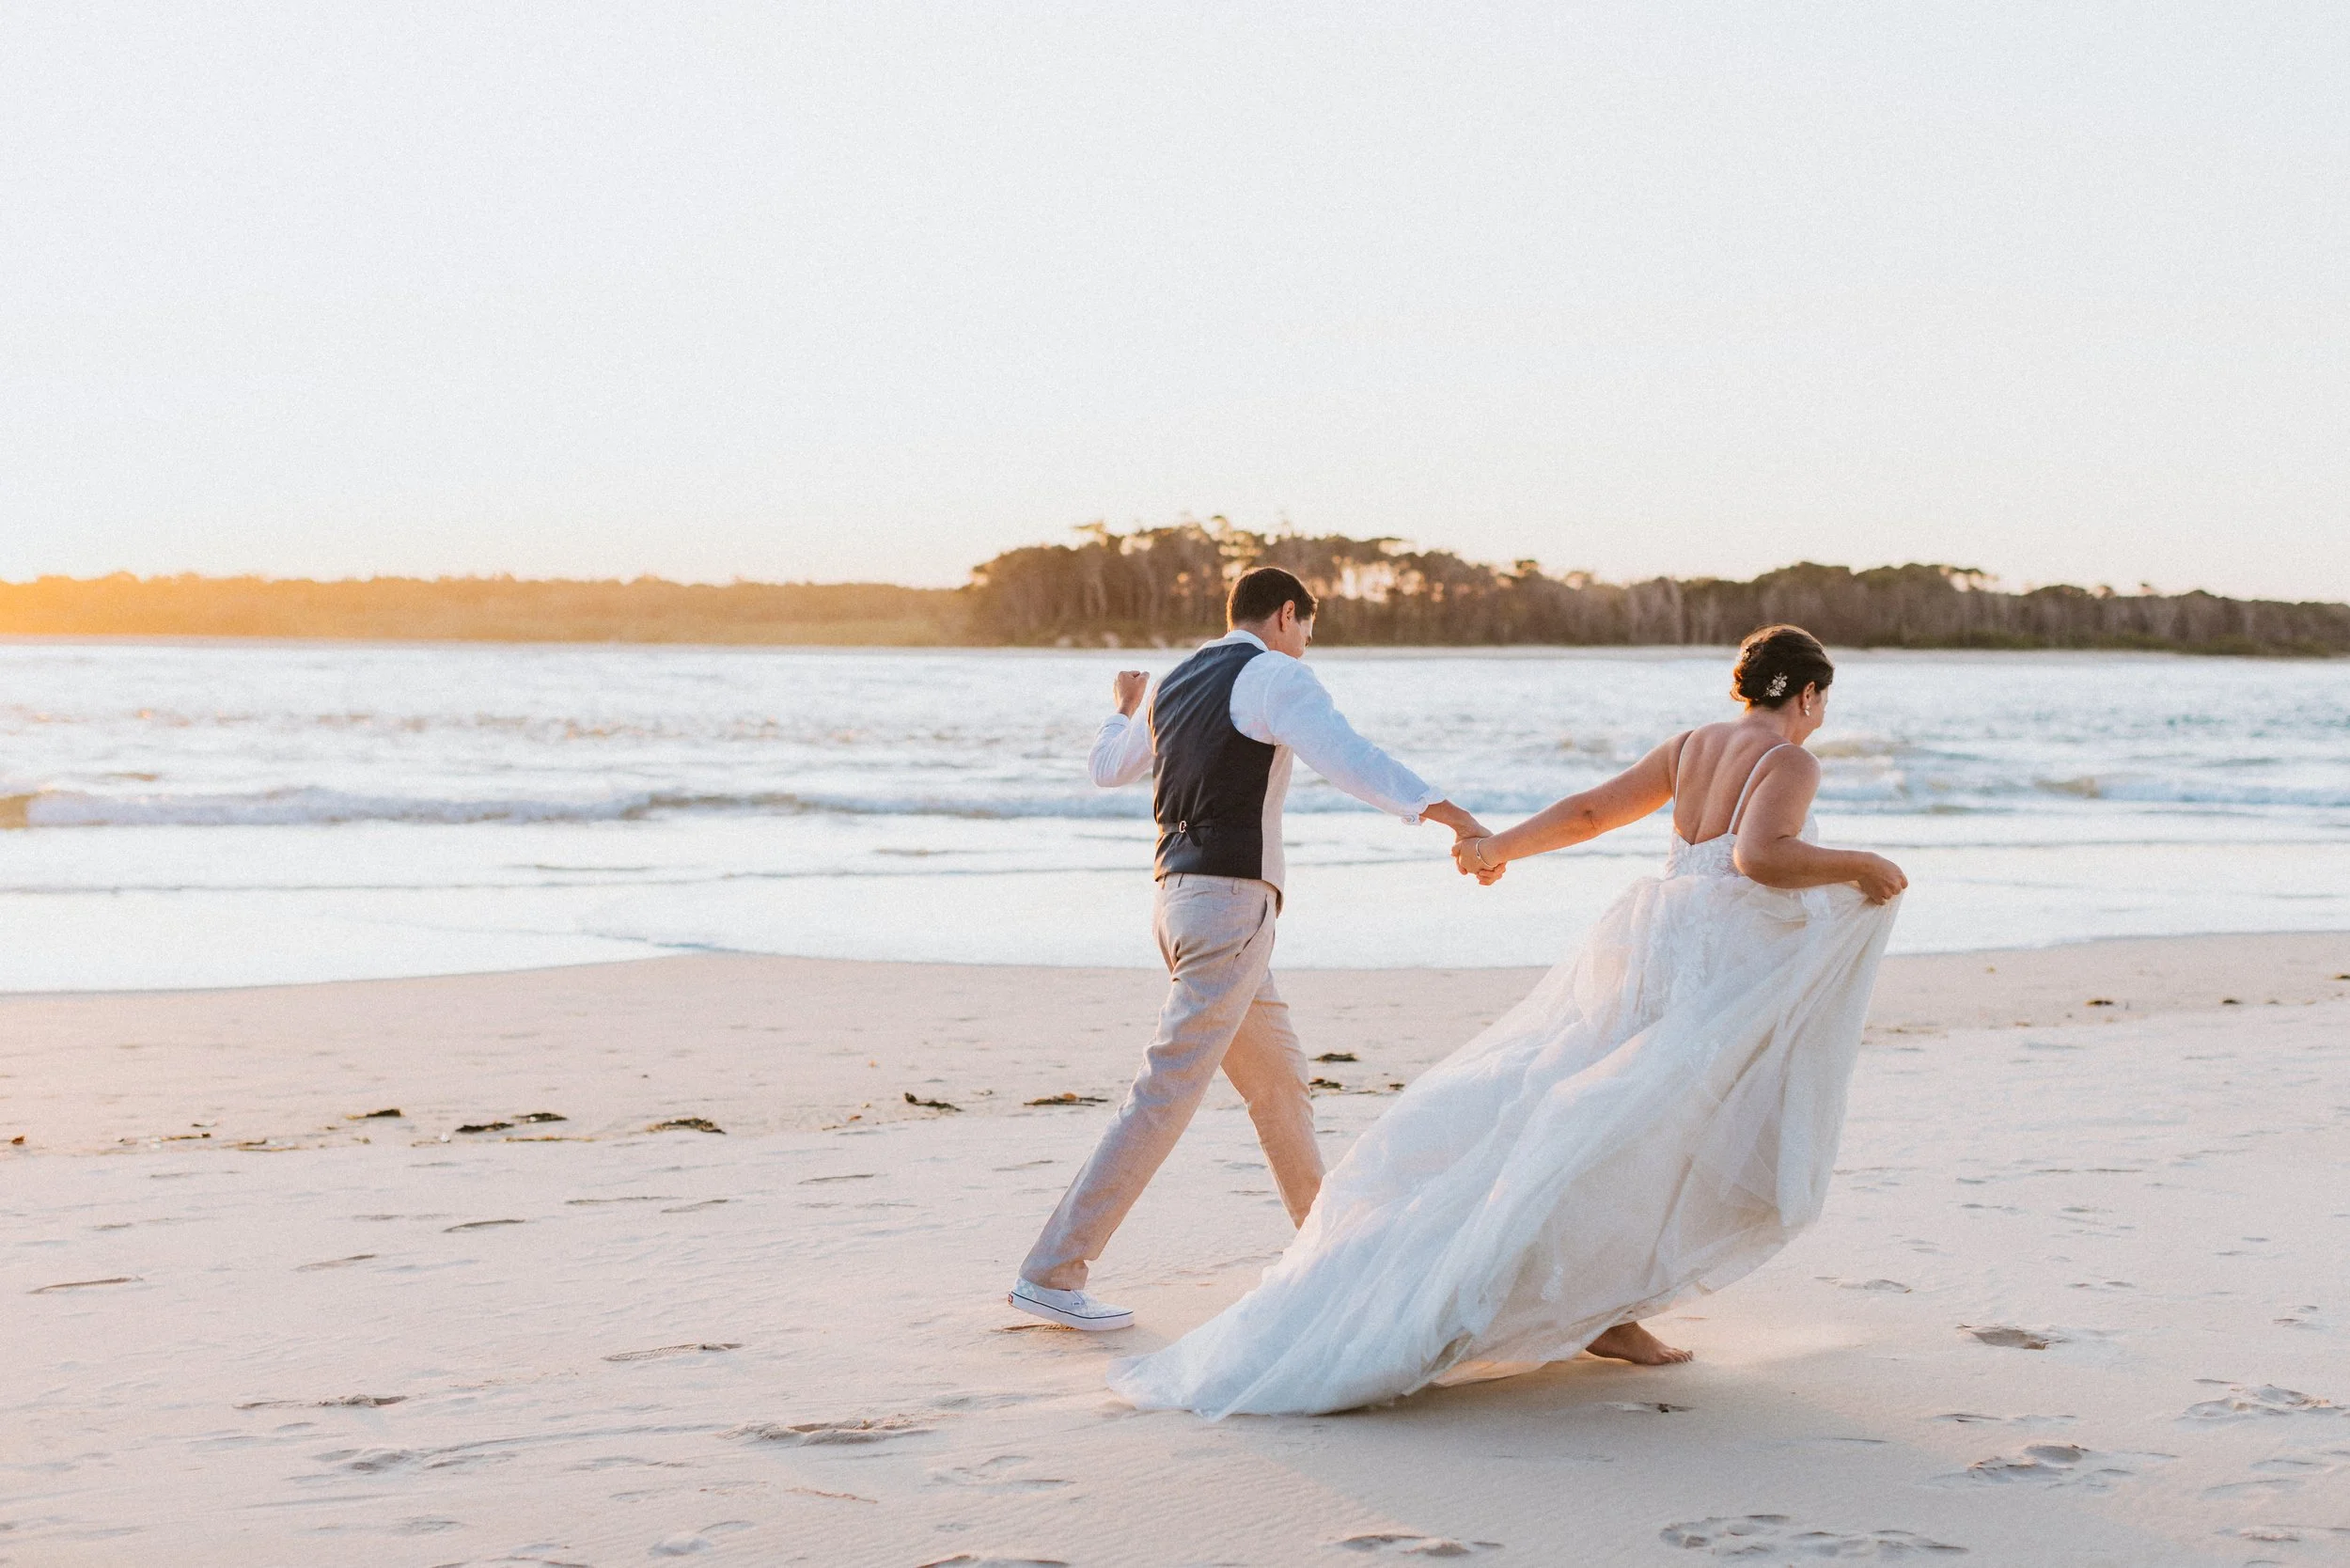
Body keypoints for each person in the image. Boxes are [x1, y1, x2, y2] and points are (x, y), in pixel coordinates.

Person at [1107, 625, 1907, 1415]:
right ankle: (1602, 1308)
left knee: (1599, 1114)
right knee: (1649, 1131)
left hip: (1657, 942)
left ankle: (1606, 1307)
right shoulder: (1790, 759)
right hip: (1717, 957)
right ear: (1808, 694)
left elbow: (1593, 811)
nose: (1821, 713)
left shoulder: (1693, 744)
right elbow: (1760, 858)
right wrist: (1859, 865)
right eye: (1822, 699)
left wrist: (1500, 850)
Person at [1009, 566, 1493, 1331]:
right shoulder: (1272, 676)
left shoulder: (1177, 681)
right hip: (1230, 908)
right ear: (1287, 616)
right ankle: (1051, 1272)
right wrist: (1454, 816)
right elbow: (1351, 758)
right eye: (1307, 629)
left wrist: (1121, 713)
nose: (1305, 646)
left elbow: (1108, 769)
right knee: (1165, 1091)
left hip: (1178, 905)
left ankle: (1325, 1251)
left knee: (1279, 1086)